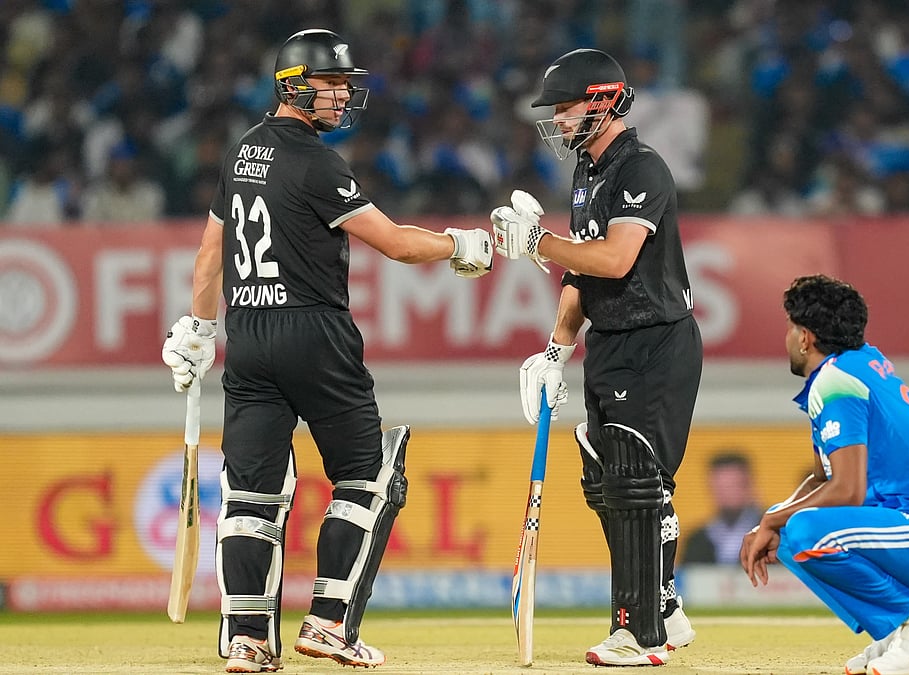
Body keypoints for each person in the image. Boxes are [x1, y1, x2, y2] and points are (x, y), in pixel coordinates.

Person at [160, 28, 492, 674]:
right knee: (368, 472)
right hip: (314, 333)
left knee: (250, 492)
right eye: (330, 84)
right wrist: (458, 244)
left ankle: (249, 640)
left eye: (344, 84)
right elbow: (393, 242)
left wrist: (200, 329)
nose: (342, 95)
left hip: (248, 336)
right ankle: (331, 623)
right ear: (293, 86)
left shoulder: (240, 154)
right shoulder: (317, 162)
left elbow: (209, 257)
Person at [490, 48, 703, 667]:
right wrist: (556, 349)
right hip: (610, 342)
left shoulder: (641, 169)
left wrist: (538, 241)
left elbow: (614, 261)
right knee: (607, 481)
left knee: (636, 480)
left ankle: (641, 633)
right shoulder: (588, 171)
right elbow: (583, 275)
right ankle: (659, 600)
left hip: (656, 342)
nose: (557, 121)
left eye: (566, 108)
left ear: (604, 99)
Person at [739, 275, 909, 675]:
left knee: (804, 530)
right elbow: (825, 476)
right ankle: (899, 630)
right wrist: (772, 519)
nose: (786, 338)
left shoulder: (835, 382)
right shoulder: (859, 365)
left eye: (790, 328)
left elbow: (847, 489)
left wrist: (771, 519)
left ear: (805, 337)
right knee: (793, 532)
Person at [681, 452, 762, 565]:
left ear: (749, 486)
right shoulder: (697, 541)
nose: (726, 495)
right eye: (720, 488)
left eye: (733, 486)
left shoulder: (775, 535)